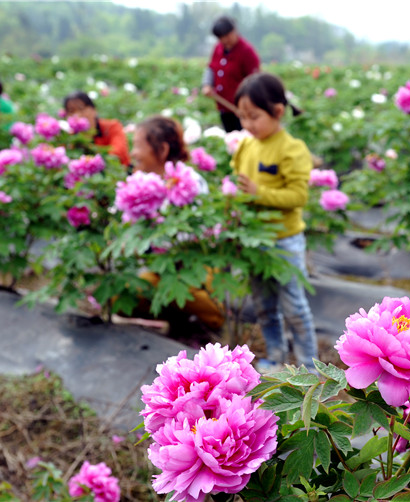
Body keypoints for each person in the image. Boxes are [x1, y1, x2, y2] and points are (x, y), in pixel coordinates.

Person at [230, 72, 319, 372]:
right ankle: (275, 357)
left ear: (277, 112)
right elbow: (237, 182)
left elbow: (298, 196)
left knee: (294, 307)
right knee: (264, 307)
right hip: (255, 240)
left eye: (253, 116)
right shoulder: (246, 146)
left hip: (284, 241)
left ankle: (309, 368)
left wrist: (259, 193)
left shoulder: (291, 149)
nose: (247, 124)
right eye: (242, 117)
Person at [128, 115, 222, 331]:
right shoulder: (140, 183)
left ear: (162, 149)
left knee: (202, 303)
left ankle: (196, 316)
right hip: (159, 267)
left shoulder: (191, 182)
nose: (132, 154)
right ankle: (176, 315)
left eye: (137, 146)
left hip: (193, 264)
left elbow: (194, 239)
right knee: (122, 295)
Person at [201, 16, 260, 133]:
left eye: (227, 36)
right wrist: (207, 84)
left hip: (241, 109)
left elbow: (255, 81)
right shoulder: (218, 48)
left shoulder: (247, 51)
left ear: (234, 31)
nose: (225, 40)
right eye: (221, 38)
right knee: (230, 138)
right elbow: (211, 68)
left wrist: (247, 105)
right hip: (224, 105)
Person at [63, 91, 131, 166]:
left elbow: (118, 153)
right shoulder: (70, 139)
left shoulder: (111, 127)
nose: (77, 115)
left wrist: (92, 162)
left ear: (94, 110)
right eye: (71, 111)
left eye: (81, 109)